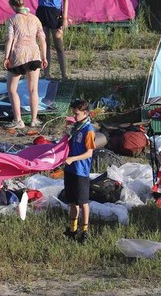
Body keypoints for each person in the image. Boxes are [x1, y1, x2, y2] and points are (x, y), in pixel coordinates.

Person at [3, 0, 48, 129]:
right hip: (34, 55)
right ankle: (34, 119)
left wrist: (6, 57)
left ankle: (18, 120)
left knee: (11, 89)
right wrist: (44, 56)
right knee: (33, 89)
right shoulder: (35, 19)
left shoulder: (12, 19)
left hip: (19, 55)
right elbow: (42, 39)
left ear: (13, 6)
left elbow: (10, 39)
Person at [22, 0, 69, 80]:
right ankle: (46, 73)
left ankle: (64, 74)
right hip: (42, 10)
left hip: (55, 12)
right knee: (45, 44)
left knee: (58, 44)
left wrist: (64, 18)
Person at [62, 99, 96, 244]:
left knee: (83, 202)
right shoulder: (75, 127)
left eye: (76, 114)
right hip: (70, 169)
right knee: (72, 202)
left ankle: (85, 231)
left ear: (85, 113)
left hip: (80, 171)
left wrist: (73, 159)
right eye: (73, 113)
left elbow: (89, 153)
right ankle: (72, 229)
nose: (74, 116)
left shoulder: (88, 131)